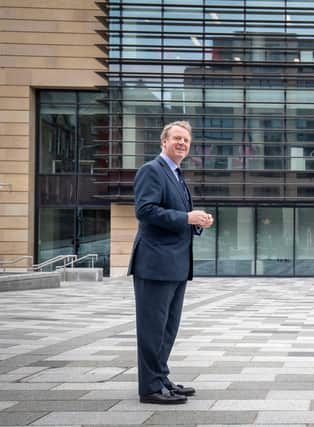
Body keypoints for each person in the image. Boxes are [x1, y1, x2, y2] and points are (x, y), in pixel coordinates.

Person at [128, 121, 214, 404]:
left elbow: (176, 215)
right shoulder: (151, 170)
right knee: (153, 328)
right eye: (177, 138)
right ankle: (150, 389)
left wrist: (196, 221)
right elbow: (145, 210)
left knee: (167, 327)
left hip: (175, 265)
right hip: (154, 264)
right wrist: (186, 218)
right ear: (163, 141)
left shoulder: (177, 175)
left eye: (186, 140)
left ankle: (161, 378)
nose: (182, 143)